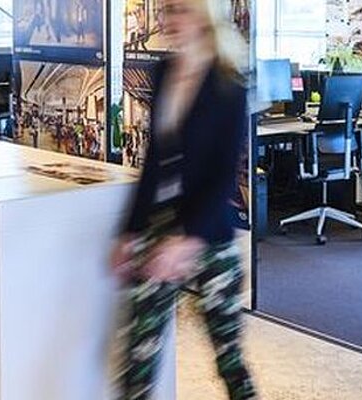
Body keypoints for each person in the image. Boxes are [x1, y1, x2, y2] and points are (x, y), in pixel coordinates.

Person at [109, 0, 256, 398]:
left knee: (228, 359)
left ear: (205, 16)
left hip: (208, 232)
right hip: (159, 228)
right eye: (166, 10)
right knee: (138, 358)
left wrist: (188, 240)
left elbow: (223, 176)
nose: (168, 20)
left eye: (180, 10)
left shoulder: (229, 81)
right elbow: (154, 162)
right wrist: (129, 231)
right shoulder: (163, 73)